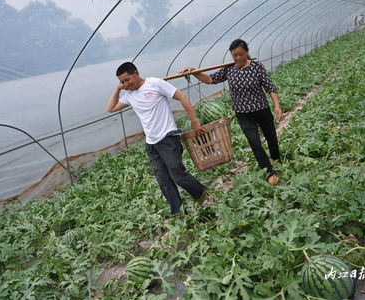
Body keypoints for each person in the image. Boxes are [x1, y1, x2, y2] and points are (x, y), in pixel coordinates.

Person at [107, 62, 208, 217]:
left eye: (127, 80)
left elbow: (182, 96)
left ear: (136, 72)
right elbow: (110, 108)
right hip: (151, 143)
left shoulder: (155, 83)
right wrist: (117, 89)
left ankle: (201, 193)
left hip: (168, 137)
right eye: (122, 82)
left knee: (177, 174)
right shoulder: (129, 96)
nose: (125, 84)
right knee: (163, 180)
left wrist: (194, 121)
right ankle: (177, 211)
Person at [179, 39, 283, 185]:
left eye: (241, 54)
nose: (238, 58)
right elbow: (210, 79)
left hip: (262, 110)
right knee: (254, 142)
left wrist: (276, 105)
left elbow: (270, 87)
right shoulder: (229, 69)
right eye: (234, 55)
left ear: (247, 52)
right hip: (243, 114)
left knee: (271, 136)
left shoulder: (257, 67)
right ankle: (269, 173)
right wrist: (195, 71)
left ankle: (276, 159)